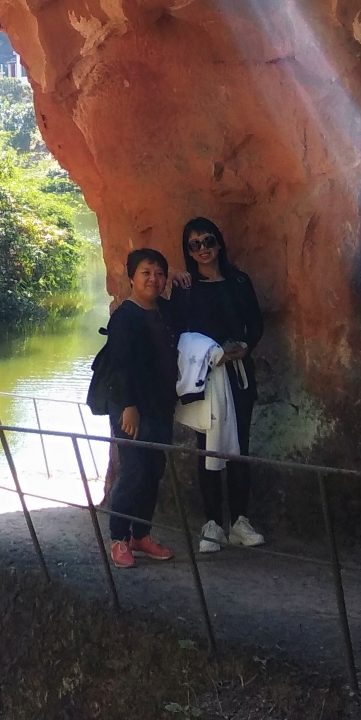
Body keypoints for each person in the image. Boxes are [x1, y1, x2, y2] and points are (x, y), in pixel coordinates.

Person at [167, 216, 265, 554]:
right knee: (206, 445)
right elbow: (177, 330)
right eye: (194, 244)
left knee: (240, 446)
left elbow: (255, 322)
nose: (203, 249)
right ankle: (212, 523)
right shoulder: (185, 287)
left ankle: (239, 520)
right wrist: (210, 356)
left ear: (219, 243)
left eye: (208, 241)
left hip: (238, 373)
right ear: (188, 250)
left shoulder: (239, 281)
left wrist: (246, 346)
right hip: (205, 376)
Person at [90, 248, 179, 568]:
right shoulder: (125, 316)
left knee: (154, 471)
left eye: (159, 273)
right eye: (146, 273)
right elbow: (120, 366)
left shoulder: (163, 311)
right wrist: (128, 406)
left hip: (159, 405)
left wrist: (183, 280)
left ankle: (141, 535)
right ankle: (119, 538)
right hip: (130, 408)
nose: (153, 279)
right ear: (131, 278)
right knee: (133, 472)